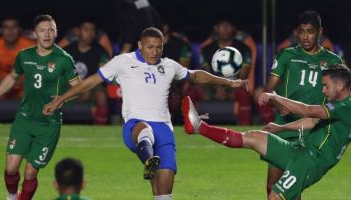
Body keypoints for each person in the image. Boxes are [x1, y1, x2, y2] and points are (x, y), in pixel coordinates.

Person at [43, 27, 246, 199]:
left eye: (159, 47)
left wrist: (229, 82)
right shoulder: (123, 62)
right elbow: (91, 81)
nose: (154, 51)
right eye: (150, 46)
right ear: (140, 45)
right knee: (144, 129)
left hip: (165, 132)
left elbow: (196, 76)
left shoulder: (169, 66)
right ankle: (148, 158)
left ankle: (151, 162)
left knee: (163, 194)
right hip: (135, 126)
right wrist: (62, 98)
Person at [182, 64, 351, 200]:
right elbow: (312, 121)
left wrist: (275, 97)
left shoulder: (348, 107)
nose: (323, 90)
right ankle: (199, 127)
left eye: (326, 86)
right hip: (300, 150)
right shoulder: (337, 104)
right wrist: (281, 127)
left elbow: (308, 111)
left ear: (340, 85)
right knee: (254, 137)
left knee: (274, 196)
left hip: (311, 162)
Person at [0, 15, 80, 200]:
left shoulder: (64, 59)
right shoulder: (24, 56)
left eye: (51, 29)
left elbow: (79, 87)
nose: (47, 34)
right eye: (42, 30)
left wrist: (61, 100)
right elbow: (12, 77)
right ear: (34, 34)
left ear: (56, 32)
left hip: (49, 125)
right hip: (25, 119)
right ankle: (11, 197)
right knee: (11, 168)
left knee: (29, 173)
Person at [254, 10, 343, 199]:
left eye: (310, 31)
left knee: (290, 186)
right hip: (283, 127)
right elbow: (269, 89)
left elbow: (340, 98)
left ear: (320, 32)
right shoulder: (286, 55)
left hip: (310, 130)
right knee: (272, 185)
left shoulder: (334, 62)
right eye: (301, 31)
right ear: (296, 32)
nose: (305, 37)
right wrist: (277, 104)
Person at [200, 16, 253, 124]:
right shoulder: (206, 50)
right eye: (222, 26)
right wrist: (217, 87)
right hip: (212, 86)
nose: (225, 29)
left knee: (243, 92)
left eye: (228, 26)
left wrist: (228, 87)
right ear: (216, 28)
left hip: (234, 87)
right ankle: (189, 126)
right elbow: (205, 74)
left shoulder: (244, 49)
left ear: (233, 28)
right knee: (192, 91)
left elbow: (243, 75)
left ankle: (245, 128)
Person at [0, 16, 35, 123]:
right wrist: (5, 84)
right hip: (0, 88)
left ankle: (34, 124)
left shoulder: (29, 46)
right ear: (1, 30)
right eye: (6, 27)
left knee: (38, 88)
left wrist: (18, 83)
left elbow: (35, 73)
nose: (10, 31)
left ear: (19, 29)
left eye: (13, 27)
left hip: (22, 88)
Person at [64, 19, 110, 124]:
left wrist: (85, 89)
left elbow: (103, 77)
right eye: (86, 30)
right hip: (69, 90)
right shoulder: (67, 51)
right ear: (78, 31)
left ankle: (100, 130)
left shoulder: (100, 52)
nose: (89, 34)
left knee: (101, 94)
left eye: (92, 30)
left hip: (90, 90)